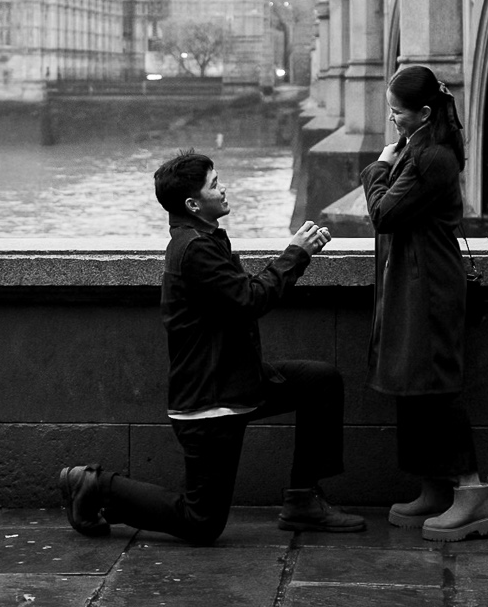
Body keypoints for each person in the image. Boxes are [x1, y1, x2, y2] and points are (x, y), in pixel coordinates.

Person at [55, 150, 366, 544]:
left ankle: (303, 499)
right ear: (193, 203)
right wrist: (296, 254)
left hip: (238, 380)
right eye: (215, 184)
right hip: (210, 400)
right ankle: (95, 486)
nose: (224, 188)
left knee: (320, 381)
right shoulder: (195, 249)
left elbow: (237, 299)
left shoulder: (204, 238)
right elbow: (251, 298)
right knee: (201, 522)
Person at [361, 64, 488, 541]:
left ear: (422, 113)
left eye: (398, 113)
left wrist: (377, 165)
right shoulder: (420, 146)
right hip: (410, 283)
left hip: (429, 288)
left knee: (436, 388)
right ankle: (435, 489)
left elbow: (384, 213)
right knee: (412, 384)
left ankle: (471, 491)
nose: (392, 120)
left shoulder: (433, 157)